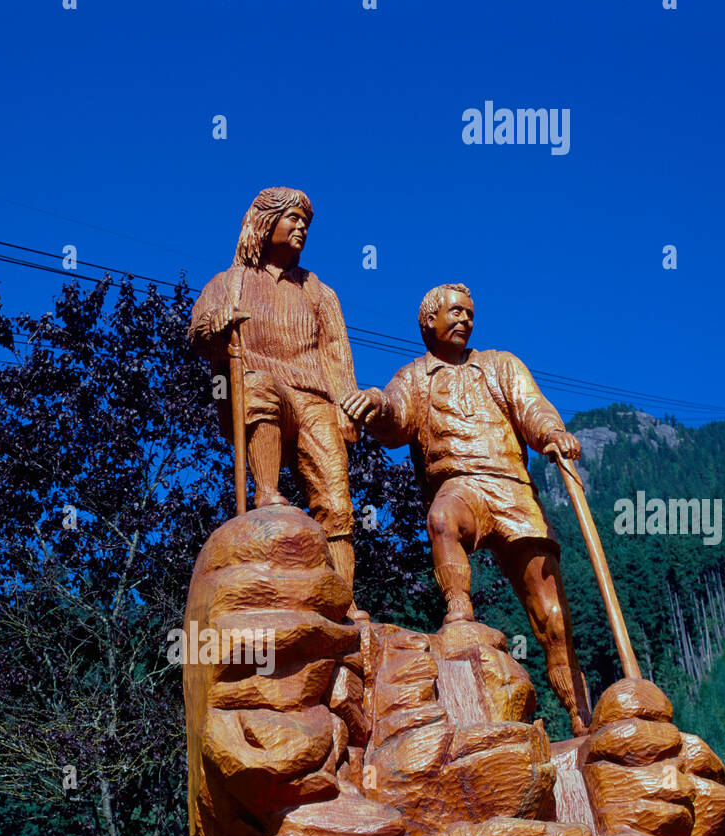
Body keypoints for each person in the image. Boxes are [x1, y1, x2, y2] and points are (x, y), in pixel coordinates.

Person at [341, 283, 591, 735]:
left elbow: (533, 409)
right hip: (459, 487)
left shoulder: (501, 365)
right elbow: (396, 418)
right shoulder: (415, 377)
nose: (464, 320)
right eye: (454, 312)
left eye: (470, 314)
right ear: (429, 322)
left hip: (513, 488)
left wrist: (553, 433)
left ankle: (580, 716)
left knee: (552, 619)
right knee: (441, 519)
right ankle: (459, 608)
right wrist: (376, 403)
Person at [189, 187, 361, 605]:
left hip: (316, 397)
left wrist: (346, 405)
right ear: (266, 223)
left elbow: (336, 353)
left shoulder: (318, 292)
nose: (302, 227)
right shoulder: (230, 283)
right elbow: (196, 334)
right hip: (265, 389)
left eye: (306, 222)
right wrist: (216, 324)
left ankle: (344, 599)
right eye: (293, 218)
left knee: (337, 501)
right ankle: (267, 494)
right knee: (259, 386)